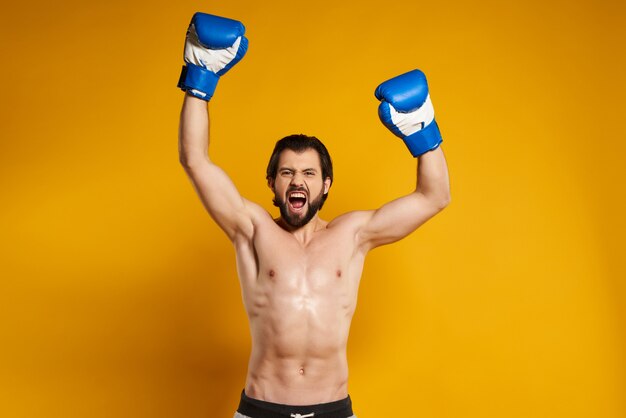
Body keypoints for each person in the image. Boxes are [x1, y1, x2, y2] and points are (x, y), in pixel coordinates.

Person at [177, 12, 451, 418]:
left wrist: (422, 130)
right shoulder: (250, 229)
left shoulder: (355, 234)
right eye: (287, 172)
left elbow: (434, 196)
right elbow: (195, 160)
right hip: (260, 410)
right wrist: (199, 79)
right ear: (272, 182)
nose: (297, 181)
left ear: (326, 185)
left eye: (309, 173)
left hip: (333, 410)